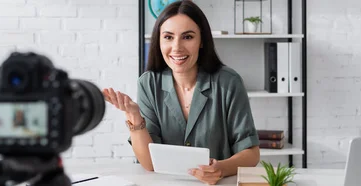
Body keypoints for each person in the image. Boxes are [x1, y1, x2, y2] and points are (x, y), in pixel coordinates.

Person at [102, 0, 260, 184]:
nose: (177, 47)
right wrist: (134, 116)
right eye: (168, 37)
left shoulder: (229, 82)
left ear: (202, 41)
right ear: (158, 41)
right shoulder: (149, 83)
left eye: (188, 37)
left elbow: (251, 153)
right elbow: (149, 163)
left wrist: (221, 168)